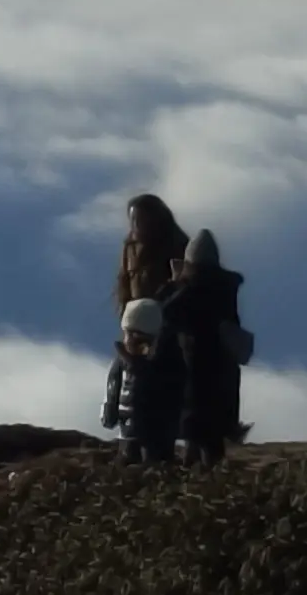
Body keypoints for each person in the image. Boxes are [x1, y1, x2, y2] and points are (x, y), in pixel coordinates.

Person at [164, 228, 249, 466]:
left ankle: (195, 468)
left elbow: (167, 312)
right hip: (223, 365)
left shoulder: (192, 288)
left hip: (194, 362)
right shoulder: (225, 288)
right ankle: (213, 469)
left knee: (195, 423)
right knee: (212, 430)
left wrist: (174, 284)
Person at [101, 291, 179, 462]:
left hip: (156, 434)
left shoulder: (164, 365)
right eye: (128, 334)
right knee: (128, 460)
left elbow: (172, 395)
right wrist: (109, 411)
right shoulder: (121, 363)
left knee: (155, 462)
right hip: (127, 429)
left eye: (138, 337)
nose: (129, 340)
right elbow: (113, 387)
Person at [114, 191, 188, 328]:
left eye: (141, 220)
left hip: (166, 319)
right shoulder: (130, 247)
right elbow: (124, 280)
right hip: (136, 317)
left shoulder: (176, 245)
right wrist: (125, 312)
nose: (136, 225)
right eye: (133, 220)